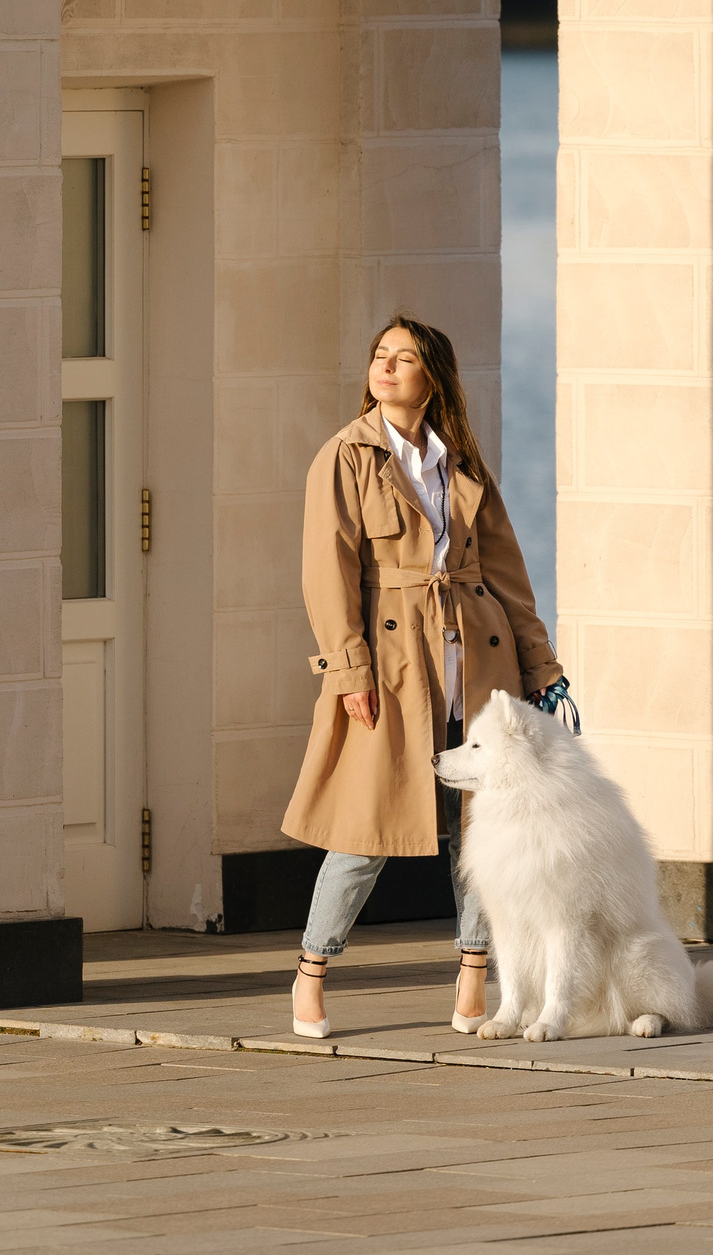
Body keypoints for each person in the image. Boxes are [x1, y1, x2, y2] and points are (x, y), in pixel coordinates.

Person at [280, 315, 565, 1039]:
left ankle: (475, 972)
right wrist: (348, 669)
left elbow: (509, 577)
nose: (387, 366)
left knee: (481, 827)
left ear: (432, 376)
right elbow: (328, 570)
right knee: (363, 831)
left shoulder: (462, 461)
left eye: (404, 358)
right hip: (392, 668)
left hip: (478, 665)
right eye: (380, 354)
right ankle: (311, 971)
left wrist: (543, 671)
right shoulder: (344, 456)